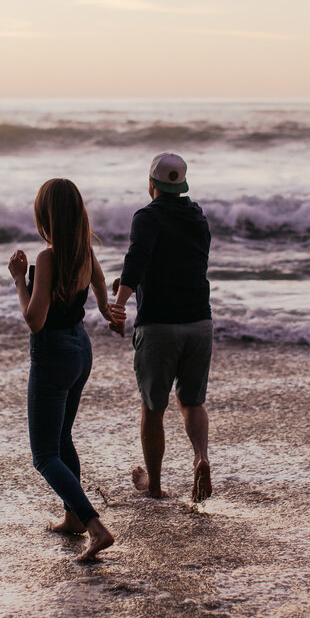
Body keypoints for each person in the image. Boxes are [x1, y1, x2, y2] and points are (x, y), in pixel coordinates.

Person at [8, 178, 115, 562]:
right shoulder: (84, 251)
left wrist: (20, 280)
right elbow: (101, 281)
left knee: (44, 455)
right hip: (80, 350)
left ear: (45, 216)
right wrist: (105, 309)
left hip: (53, 353)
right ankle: (72, 517)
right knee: (62, 437)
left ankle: (95, 526)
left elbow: (34, 319)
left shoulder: (49, 258)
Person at [107, 153, 214, 503]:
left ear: (151, 183)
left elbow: (138, 259)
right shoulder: (198, 217)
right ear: (181, 185)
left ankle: (153, 486)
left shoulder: (147, 216)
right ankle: (200, 457)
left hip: (159, 327)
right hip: (199, 322)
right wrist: (130, 282)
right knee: (192, 400)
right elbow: (177, 264)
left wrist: (119, 304)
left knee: (153, 408)